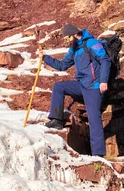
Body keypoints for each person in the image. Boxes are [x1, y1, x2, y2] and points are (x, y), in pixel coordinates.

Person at [42, 23, 111, 157]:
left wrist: (103, 81)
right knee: (59, 87)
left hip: (94, 87)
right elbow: (62, 65)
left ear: (74, 34)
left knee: (93, 118)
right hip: (82, 85)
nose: (67, 41)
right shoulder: (74, 49)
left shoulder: (91, 43)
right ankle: (56, 120)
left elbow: (105, 60)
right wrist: (45, 58)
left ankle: (98, 154)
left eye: (68, 38)